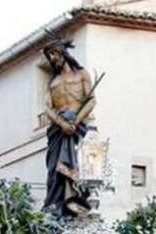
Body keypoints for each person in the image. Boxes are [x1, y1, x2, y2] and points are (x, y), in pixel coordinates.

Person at [42, 33, 96, 217]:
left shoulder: (82, 74)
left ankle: (76, 205)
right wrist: (61, 123)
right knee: (54, 171)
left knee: (80, 168)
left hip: (77, 129)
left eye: (53, 54)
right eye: (49, 56)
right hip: (57, 132)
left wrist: (76, 120)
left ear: (62, 52)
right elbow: (47, 108)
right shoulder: (52, 82)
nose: (52, 58)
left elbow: (91, 100)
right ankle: (55, 207)